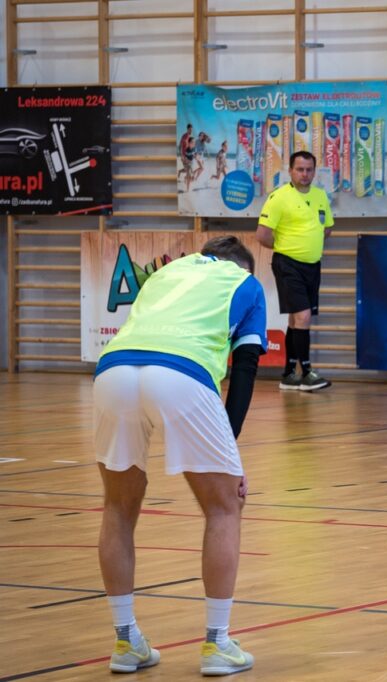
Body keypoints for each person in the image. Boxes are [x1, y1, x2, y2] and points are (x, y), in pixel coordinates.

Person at [94, 235, 266, 675]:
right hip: (182, 372)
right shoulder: (245, 283)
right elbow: (245, 366)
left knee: (117, 506)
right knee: (224, 507)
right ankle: (217, 644)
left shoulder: (167, 272)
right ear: (242, 266)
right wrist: (231, 451)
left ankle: (126, 641)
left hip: (113, 370)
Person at [256, 150, 334, 391]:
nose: (305, 174)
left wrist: (309, 243)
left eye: (309, 170)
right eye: (300, 169)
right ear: (290, 171)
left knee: (295, 319)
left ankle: (289, 374)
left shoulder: (320, 195)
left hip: (312, 265)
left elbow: (327, 228)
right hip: (287, 264)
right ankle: (307, 372)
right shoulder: (279, 197)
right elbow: (262, 235)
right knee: (303, 317)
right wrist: (287, 247)